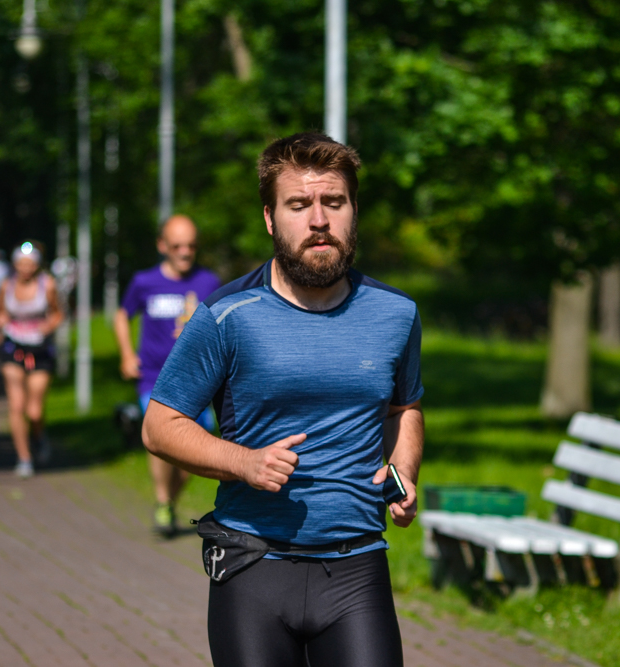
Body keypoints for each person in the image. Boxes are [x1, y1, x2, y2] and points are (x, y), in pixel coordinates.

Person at [141, 133, 424, 667]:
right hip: (254, 565)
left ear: (353, 210)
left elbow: (403, 407)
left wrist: (403, 469)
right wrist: (243, 461)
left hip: (357, 567)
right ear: (271, 218)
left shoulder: (396, 314)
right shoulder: (227, 315)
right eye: (299, 204)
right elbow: (160, 425)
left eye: (333, 202)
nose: (319, 220)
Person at [113, 215, 221, 535]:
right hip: (155, 379)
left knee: (188, 461)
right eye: (177, 246)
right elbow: (122, 315)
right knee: (160, 438)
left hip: (198, 382)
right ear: (162, 246)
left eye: (191, 246)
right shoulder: (144, 282)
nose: (185, 252)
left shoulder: (209, 283)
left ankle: (170, 501)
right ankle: (162, 499)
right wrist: (125, 354)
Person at [0, 241, 63, 478]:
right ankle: (24, 458)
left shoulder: (48, 285)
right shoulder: (7, 286)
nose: (25, 268)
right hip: (13, 347)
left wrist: (48, 326)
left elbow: (57, 313)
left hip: (40, 350)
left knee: (34, 410)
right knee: (16, 405)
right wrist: (1, 321)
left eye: (30, 264)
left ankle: (38, 435)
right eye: (21, 264)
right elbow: (0, 311)